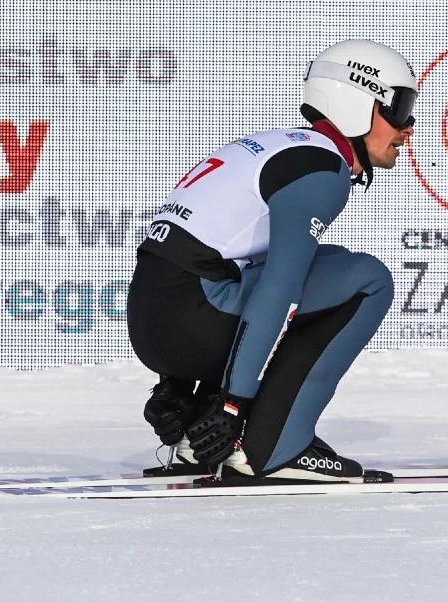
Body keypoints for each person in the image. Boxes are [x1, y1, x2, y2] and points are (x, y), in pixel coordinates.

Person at [126, 39, 417, 483]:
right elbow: (279, 291)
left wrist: (176, 388)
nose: (408, 126)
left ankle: (196, 442)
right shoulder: (323, 168)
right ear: (359, 102)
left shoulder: (275, 146)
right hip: (189, 315)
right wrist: (231, 404)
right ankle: (277, 446)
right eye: (399, 107)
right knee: (368, 280)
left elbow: (187, 258)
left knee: (334, 262)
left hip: (156, 316)